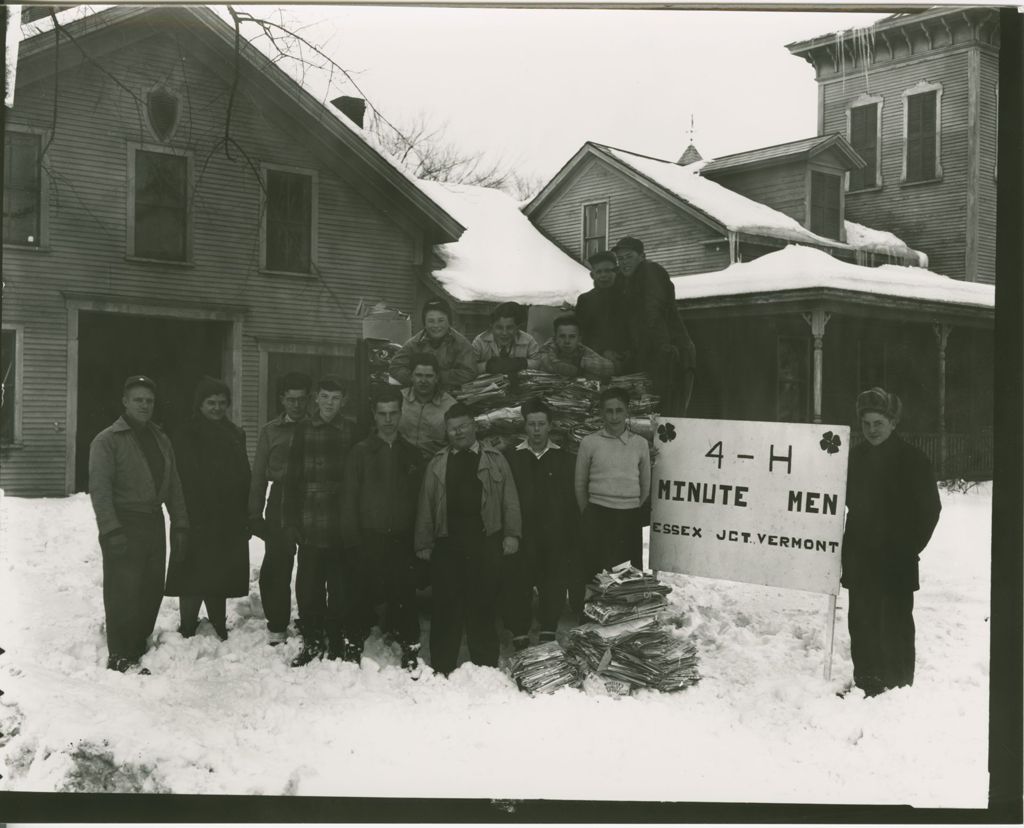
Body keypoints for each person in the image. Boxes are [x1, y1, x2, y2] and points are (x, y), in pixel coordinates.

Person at [841, 387, 941, 697]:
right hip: (859, 555)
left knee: (894, 621)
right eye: (866, 423)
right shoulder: (853, 458)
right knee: (861, 619)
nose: (871, 430)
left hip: (896, 559)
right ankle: (867, 681)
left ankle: (898, 686)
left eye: (878, 424)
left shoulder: (913, 459)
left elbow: (931, 509)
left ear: (893, 423)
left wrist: (908, 547)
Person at [88, 375, 189, 673]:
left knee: (151, 588)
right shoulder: (107, 440)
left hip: (153, 523)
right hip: (124, 523)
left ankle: (137, 644)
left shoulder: (160, 438)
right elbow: (100, 491)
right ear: (125, 401)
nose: (145, 405)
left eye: (149, 401)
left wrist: (181, 524)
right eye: (138, 400)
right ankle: (120, 654)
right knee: (124, 590)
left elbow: (174, 486)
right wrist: (111, 530)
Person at [415, 403, 522, 675]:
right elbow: (426, 505)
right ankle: (442, 668)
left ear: (474, 426)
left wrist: (511, 534)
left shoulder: (495, 459)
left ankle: (485, 667)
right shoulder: (438, 463)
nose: (458, 432)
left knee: (482, 603)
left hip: (485, 542)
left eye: (462, 426)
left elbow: (510, 500)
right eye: (452, 428)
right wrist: (424, 542)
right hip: (448, 543)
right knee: (445, 605)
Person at [341, 386, 426, 673]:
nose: (388, 420)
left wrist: (418, 540)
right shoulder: (361, 452)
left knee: (404, 596)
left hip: (401, 540)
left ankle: (410, 649)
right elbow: (349, 498)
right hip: (369, 538)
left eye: (393, 413)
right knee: (360, 596)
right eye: (382, 414)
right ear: (374, 416)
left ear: (401, 414)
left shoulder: (412, 455)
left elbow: (421, 502)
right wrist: (353, 541)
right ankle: (352, 647)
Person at [165, 377, 251, 641]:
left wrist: (244, 513)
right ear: (199, 405)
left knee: (220, 571)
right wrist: (184, 517)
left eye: (222, 403)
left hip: (228, 516)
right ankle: (188, 625)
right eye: (210, 403)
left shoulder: (235, 433)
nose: (216, 408)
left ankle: (218, 622)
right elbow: (182, 477)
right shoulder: (184, 434)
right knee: (192, 572)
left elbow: (243, 473)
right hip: (196, 514)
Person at [282, 375, 355, 666]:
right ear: (316, 399)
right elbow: (292, 478)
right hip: (311, 518)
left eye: (335, 398)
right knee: (309, 586)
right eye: (324, 397)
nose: (329, 403)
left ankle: (336, 638)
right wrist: (290, 520)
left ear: (343, 401)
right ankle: (312, 639)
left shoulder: (351, 430)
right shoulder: (303, 430)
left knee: (339, 586)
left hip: (340, 518)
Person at [502, 399, 580, 650]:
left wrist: (568, 536)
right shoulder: (512, 457)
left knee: (553, 583)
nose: (536, 430)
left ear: (550, 427)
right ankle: (520, 634)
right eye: (531, 424)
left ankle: (548, 630)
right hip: (523, 535)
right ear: (524, 427)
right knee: (518, 583)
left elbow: (571, 501)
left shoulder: (565, 459)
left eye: (541, 424)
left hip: (554, 536)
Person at [248, 371, 311, 646]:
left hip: (311, 498)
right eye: (291, 400)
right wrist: (254, 514)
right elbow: (259, 474)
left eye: (301, 399)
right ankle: (277, 624)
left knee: (311, 565)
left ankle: (311, 620)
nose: (296, 405)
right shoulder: (270, 431)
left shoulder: (315, 426)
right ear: (282, 401)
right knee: (277, 564)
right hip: (281, 498)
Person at [612, 236, 697, 416]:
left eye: (629, 256)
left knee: (667, 412)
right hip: (651, 352)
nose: (624, 262)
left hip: (669, 351)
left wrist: (661, 348)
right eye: (620, 259)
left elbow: (653, 311)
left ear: (642, 256)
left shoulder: (650, 271)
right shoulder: (624, 279)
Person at [574, 387, 651, 579]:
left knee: (626, 577)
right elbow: (580, 483)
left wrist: (630, 506)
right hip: (597, 515)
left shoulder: (640, 444)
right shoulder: (589, 443)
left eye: (619, 410)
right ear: (601, 413)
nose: (614, 416)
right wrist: (589, 512)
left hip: (628, 519)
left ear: (627, 412)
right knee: (595, 574)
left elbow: (645, 484)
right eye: (609, 411)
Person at [389, 298, 478, 390]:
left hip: (449, 394)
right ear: (425, 323)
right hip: (418, 394)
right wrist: (417, 379)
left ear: (449, 322)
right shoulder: (415, 343)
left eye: (441, 320)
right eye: (431, 321)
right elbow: (395, 367)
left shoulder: (461, 344)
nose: (436, 326)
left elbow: (470, 372)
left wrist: (436, 377)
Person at [574, 251, 631, 376]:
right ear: (592, 275)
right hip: (597, 363)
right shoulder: (585, 300)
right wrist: (602, 351)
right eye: (599, 272)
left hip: (630, 362)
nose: (603, 275)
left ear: (616, 272)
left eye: (608, 271)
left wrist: (629, 352)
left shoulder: (629, 297)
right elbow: (581, 335)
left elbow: (638, 329)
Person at [398, 352, 457, 460]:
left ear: (437, 378)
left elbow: (457, 444)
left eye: (429, 376)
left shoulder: (450, 406)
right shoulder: (398, 399)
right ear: (411, 376)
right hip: (400, 462)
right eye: (419, 375)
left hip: (434, 465)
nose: (423, 381)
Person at [470, 301, 541, 376]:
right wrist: (488, 365)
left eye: (509, 327)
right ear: (491, 327)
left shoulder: (528, 340)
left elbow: (538, 364)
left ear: (517, 328)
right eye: (499, 328)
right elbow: (469, 368)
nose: (504, 333)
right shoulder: (479, 341)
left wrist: (520, 363)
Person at [536, 314, 615, 381]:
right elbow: (549, 364)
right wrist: (579, 371)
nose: (567, 341)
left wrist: (581, 362)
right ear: (555, 337)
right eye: (562, 336)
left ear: (579, 339)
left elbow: (609, 368)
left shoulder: (581, 349)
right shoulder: (547, 348)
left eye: (572, 336)